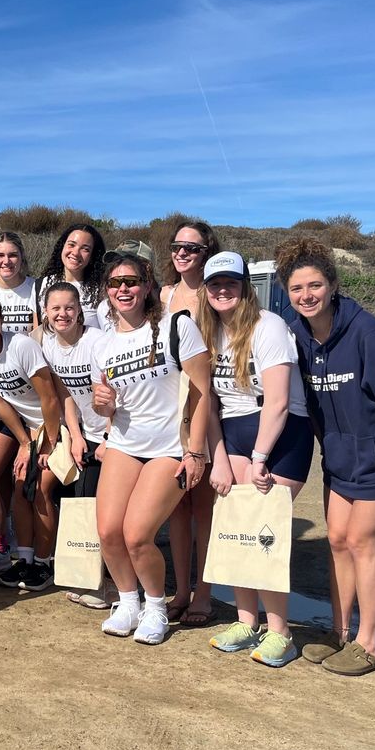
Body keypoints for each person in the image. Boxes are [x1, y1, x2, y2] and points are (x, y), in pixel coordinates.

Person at [275, 238, 375, 675]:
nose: (306, 295)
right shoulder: (298, 335)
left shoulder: (369, 334)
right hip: (340, 462)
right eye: (296, 289)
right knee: (338, 542)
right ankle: (340, 633)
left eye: (315, 285)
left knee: (363, 543)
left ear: (333, 285)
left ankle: (370, 644)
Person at [196, 251, 315, 666]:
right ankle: (247, 621)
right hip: (233, 434)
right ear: (206, 291)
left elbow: (279, 401)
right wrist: (220, 458)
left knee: (264, 532)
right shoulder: (208, 332)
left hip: (282, 436)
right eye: (215, 284)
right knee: (236, 527)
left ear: (245, 286)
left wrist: (261, 456)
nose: (223, 290)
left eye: (231, 282)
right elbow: (208, 404)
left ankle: (281, 632)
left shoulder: (270, 327)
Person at [91, 252, 212, 645]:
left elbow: (202, 391)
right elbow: (108, 407)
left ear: (146, 286)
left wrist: (195, 452)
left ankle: (156, 606)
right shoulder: (102, 344)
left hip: (169, 446)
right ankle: (129, 602)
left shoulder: (177, 326)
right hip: (125, 444)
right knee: (108, 532)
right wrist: (102, 406)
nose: (122, 289)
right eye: (114, 283)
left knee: (137, 534)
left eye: (130, 282)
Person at [0, 293, 62, 590]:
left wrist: (47, 444)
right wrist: (26, 443)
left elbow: (50, 398)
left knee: (40, 488)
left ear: (2, 321)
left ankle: (44, 564)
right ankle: (25, 560)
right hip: (28, 429)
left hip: (58, 424)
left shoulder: (21, 346)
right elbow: (1, 404)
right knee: (20, 488)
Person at [159, 219, 222, 627]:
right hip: (170, 405)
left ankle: (204, 591)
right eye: (177, 246)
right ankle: (181, 589)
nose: (182, 253)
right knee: (176, 507)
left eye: (192, 248)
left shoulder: (215, 293)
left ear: (207, 252)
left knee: (203, 507)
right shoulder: (164, 294)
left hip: (207, 403)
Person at [38, 283, 114, 609]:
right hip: (87, 434)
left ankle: (108, 586)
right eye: (55, 309)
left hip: (115, 433)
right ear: (46, 313)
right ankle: (89, 576)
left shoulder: (96, 341)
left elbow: (115, 392)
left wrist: (109, 438)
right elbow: (65, 393)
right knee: (82, 500)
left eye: (68, 307)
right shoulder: (50, 345)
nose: (62, 314)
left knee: (105, 509)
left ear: (80, 310)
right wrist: (77, 435)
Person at [36, 223, 108, 329]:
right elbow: (36, 333)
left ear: (93, 256)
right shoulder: (40, 285)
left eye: (85, 249)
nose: (75, 253)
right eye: (71, 245)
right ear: (62, 246)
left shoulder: (102, 290)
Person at [0, 232, 36, 333]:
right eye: (0, 255)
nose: (6, 261)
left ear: (21, 257)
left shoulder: (37, 289)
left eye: (12, 255)